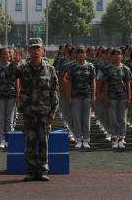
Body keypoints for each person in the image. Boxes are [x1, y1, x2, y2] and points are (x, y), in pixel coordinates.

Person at [9, 38, 58, 181]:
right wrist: (15, 62)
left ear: (43, 51)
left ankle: (42, 170)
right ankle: (31, 171)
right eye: (33, 48)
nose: (36, 51)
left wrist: (53, 110)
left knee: (43, 142)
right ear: (29, 51)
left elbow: (54, 90)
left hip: (44, 112)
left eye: (38, 48)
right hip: (29, 112)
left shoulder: (50, 69)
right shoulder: (23, 67)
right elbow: (10, 75)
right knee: (29, 143)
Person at [64, 45, 96, 149]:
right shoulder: (72, 66)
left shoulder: (90, 66)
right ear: (76, 55)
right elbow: (67, 82)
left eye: (83, 53)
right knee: (76, 118)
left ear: (85, 54)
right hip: (75, 96)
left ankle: (86, 139)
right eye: (79, 53)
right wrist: (69, 97)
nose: (81, 55)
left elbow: (93, 82)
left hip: (87, 95)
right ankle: (78, 139)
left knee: (86, 118)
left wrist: (93, 96)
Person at [102, 48, 132, 149]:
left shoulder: (126, 69)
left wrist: (129, 97)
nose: (117, 56)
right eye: (115, 54)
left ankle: (121, 138)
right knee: (113, 119)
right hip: (112, 97)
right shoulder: (108, 69)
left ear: (122, 56)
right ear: (111, 56)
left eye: (119, 54)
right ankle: (114, 138)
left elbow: (128, 84)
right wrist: (106, 97)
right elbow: (106, 84)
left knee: (122, 119)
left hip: (123, 97)